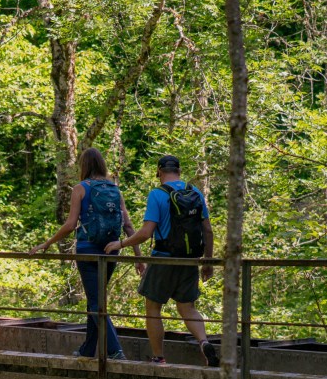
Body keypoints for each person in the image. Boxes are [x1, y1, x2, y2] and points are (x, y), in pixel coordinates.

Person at [105, 155, 219, 366]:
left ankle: (159, 357)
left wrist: (120, 244)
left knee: (153, 308)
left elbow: (146, 232)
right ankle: (203, 342)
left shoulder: (157, 194)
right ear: (179, 170)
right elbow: (208, 230)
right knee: (187, 308)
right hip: (189, 260)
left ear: (159, 171)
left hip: (164, 258)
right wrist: (208, 262)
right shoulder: (195, 193)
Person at [32, 147, 138, 359]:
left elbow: (71, 225)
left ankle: (115, 350)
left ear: (84, 166)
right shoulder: (115, 189)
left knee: (96, 303)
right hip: (111, 250)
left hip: (88, 251)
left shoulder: (80, 189)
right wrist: (138, 256)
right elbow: (127, 224)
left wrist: (47, 243)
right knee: (96, 300)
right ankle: (88, 350)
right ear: (102, 165)